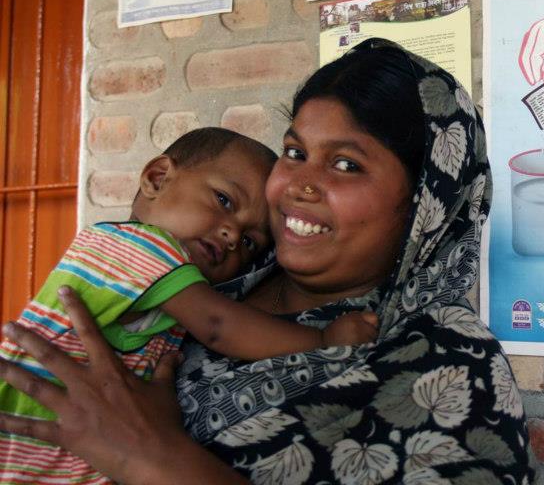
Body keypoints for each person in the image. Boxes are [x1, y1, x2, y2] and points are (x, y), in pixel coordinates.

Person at [0, 38, 535, 483]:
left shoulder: (450, 364)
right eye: (296, 152)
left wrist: (154, 458)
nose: (299, 183)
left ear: (425, 207)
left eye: (346, 164)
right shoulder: (215, 274)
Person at [0, 128, 377, 484]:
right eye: (224, 201)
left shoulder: (162, 283)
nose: (232, 235)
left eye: (249, 242)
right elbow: (219, 326)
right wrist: (325, 339)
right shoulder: (139, 247)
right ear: (158, 177)